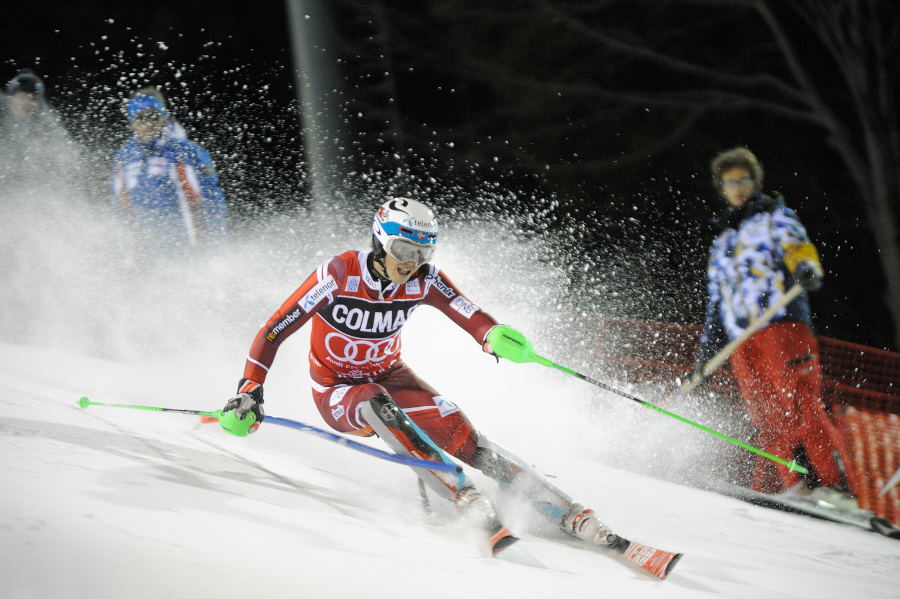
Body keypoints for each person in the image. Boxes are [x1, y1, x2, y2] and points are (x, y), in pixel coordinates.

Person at [218, 198, 618, 553]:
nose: (411, 263)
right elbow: (273, 330)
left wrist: (493, 335)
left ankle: (566, 511)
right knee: (374, 400)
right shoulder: (339, 274)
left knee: (463, 437)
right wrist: (251, 389)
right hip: (337, 390)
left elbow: (469, 313)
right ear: (381, 242)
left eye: (423, 253)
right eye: (404, 250)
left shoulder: (424, 279)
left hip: (392, 378)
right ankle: (464, 497)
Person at [694, 147, 858, 508]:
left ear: (755, 182)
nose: (738, 187)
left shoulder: (774, 217)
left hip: (781, 324)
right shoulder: (722, 241)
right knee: (767, 414)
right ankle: (793, 486)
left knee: (799, 402)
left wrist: (806, 268)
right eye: (730, 182)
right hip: (742, 338)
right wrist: (705, 356)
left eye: (743, 180)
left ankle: (832, 484)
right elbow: (716, 302)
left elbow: (799, 247)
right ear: (722, 188)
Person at [111, 87, 228, 253]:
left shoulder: (185, 151)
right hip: (145, 251)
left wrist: (216, 248)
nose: (149, 124)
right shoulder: (125, 156)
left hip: (186, 248)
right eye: (141, 118)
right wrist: (122, 250)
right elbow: (120, 205)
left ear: (164, 117)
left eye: (154, 116)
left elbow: (211, 200)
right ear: (132, 123)